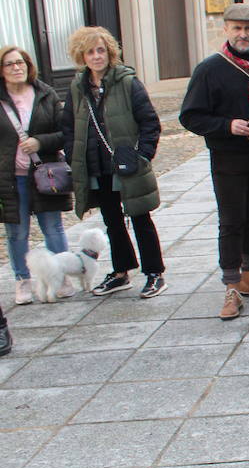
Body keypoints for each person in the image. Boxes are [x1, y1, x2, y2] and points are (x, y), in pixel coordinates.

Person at [180, 5, 249, 318]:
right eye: (237, 28)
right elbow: (190, 116)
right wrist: (227, 125)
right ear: (225, 29)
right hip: (228, 157)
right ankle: (231, 287)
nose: (243, 34)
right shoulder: (210, 69)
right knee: (231, 221)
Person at [65, 27, 164, 300]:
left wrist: (142, 156)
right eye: (90, 52)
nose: (97, 57)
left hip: (128, 164)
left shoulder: (127, 82)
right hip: (97, 165)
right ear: (81, 56)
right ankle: (121, 271)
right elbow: (69, 127)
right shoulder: (77, 87)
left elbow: (150, 123)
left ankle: (154, 273)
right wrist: (74, 154)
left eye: (101, 50)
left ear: (110, 53)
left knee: (140, 217)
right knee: (112, 221)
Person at [1, 46, 71, 305]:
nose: (16, 68)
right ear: (2, 70)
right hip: (10, 178)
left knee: (53, 227)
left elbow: (64, 132)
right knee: (17, 232)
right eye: (9, 64)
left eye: (20, 62)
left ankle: (61, 276)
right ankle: (23, 281)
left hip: (45, 173)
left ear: (28, 65)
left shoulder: (45, 94)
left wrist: (40, 142)